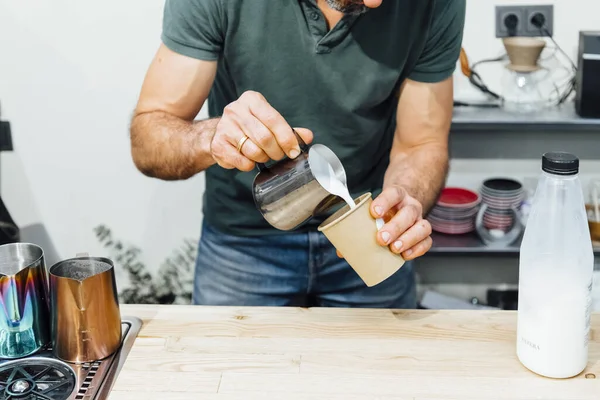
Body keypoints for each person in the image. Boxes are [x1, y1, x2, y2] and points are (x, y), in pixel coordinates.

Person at [130, 0, 466, 308]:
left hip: (371, 237)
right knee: (234, 373)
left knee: (379, 371)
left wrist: (406, 198)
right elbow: (149, 139)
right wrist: (211, 136)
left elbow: (421, 144)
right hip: (244, 245)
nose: (376, 2)